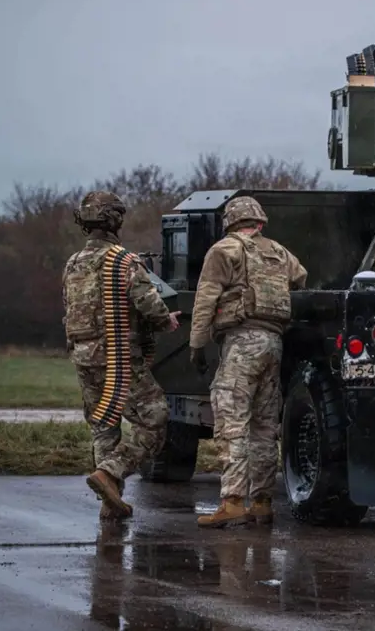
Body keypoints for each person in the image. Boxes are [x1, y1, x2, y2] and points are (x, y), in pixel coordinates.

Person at [62, 190, 182, 520]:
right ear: (115, 219)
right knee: (154, 420)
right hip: (118, 357)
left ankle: (109, 503)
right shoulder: (122, 260)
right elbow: (148, 303)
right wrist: (165, 320)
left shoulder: (73, 263)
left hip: (83, 357)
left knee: (104, 426)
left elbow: (69, 309)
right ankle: (111, 473)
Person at [189, 195, 308, 528]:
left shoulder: (224, 250)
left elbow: (205, 299)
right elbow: (301, 280)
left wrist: (197, 344)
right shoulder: (280, 252)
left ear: (231, 221)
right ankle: (261, 501)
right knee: (265, 427)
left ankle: (231, 501)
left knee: (232, 420)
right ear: (260, 222)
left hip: (241, 341)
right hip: (274, 343)